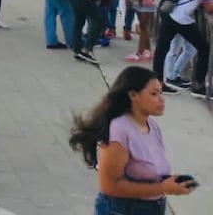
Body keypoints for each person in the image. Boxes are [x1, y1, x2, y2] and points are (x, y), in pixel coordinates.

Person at [68, 66, 198, 214]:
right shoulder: (119, 130)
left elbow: (146, 169)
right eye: (154, 94)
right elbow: (109, 186)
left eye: (161, 93)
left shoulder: (151, 126)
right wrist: (162, 188)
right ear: (133, 95)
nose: (162, 100)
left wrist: (172, 182)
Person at [151, 0, 212, 98]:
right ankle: (198, 85)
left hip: (169, 14)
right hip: (181, 20)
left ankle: (158, 82)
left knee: (161, 49)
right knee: (204, 48)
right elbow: (208, 8)